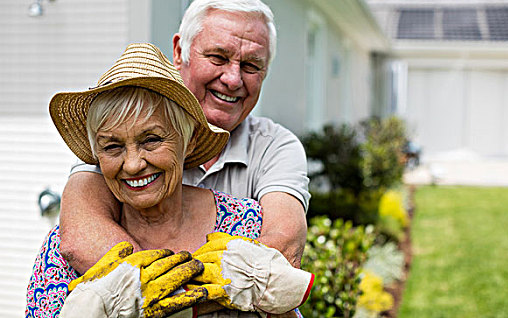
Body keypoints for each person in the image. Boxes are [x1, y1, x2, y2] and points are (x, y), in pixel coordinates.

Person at [26, 43, 314, 318]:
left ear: (189, 142)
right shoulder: (61, 249)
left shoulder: (246, 224)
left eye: (151, 140)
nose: (133, 164)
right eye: (112, 147)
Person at [59, 0, 310, 277]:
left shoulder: (274, 146)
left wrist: (183, 298)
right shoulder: (123, 126)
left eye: (251, 66)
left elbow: (283, 248)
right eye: (218, 57)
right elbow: (82, 236)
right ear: (180, 52)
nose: (232, 79)